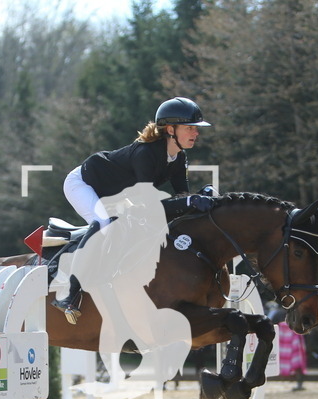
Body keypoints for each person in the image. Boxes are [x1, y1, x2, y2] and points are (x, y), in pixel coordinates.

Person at [52, 96, 216, 323]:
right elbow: (149, 207)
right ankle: (68, 293)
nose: (196, 133)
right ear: (170, 129)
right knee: (105, 223)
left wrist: (200, 198)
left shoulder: (179, 158)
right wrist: (190, 202)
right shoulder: (146, 154)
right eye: (189, 128)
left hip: (115, 194)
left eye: (195, 129)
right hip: (84, 183)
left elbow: (181, 199)